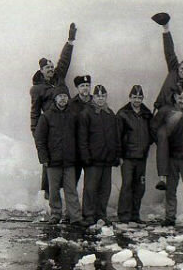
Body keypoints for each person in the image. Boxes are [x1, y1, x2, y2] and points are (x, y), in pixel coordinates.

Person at [151, 12, 183, 191]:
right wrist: (165, 29)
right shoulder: (173, 70)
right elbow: (169, 51)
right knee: (161, 136)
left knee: (168, 138)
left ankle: (167, 177)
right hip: (162, 111)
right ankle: (163, 176)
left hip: (178, 116)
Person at [30, 23, 77, 198]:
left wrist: (70, 40)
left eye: (51, 66)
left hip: (66, 123)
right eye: (47, 68)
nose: (51, 69)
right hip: (50, 127)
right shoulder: (37, 89)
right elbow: (34, 113)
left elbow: (64, 60)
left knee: (68, 162)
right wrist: (37, 134)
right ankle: (49, 197)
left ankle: (67, 198)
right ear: (41, 71)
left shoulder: (59, 78)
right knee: (49, 165)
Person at [33, 85, 85, 227]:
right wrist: (44, 158)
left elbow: (79, 137)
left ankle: (75, 216)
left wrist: (78, 156)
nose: (63, 99)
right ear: (55, 98)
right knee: (54, 190)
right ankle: (55, 214)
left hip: (69, 161)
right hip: (53, 161)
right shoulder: (46, 117)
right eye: (60, 96)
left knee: (71, 190)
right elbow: (40, 139)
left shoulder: (73, 116)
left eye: (65, 96)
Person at [152, 83, 183, 232]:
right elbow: (154, 127)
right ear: (174, 96)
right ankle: (170, 217)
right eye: (180, 97)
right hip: (171, 157)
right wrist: (162, 143)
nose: (182, 101)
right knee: (170, 189)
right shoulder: (166, 111)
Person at [77, 85, 121, 226]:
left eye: (103, 96)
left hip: (107, 159)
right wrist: (85, 156)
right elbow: (82, 138)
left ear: (106, 97)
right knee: (90, 188)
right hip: (93, 160)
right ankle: (89, 215)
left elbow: (116, 136)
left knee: (105, 189)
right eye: (98, 96)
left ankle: (101, 214)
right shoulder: (86, 113)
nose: (100, 99)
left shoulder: (110, 114)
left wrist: (116, 155)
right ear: (93, 97)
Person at [116, 85, 154, 224]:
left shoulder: (146, 113)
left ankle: (134, 214)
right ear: (130, 97)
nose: (137, 100)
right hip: (127, 157)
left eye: (139, 97)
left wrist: (146, 144)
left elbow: (152, 132)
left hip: (141, 157)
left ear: (143, 98)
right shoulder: (123, 113)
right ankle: (124, 215)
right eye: (134, 97)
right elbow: (118, 136)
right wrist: (119, 155)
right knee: (127, 185)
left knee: (140, 187)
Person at [69, 74, 93, 184]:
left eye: (87, 85)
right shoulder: (71, 104)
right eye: (82, 85)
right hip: (76, 148)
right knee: (73, 179)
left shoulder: (95, 102)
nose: (85, 88)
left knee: (91, 181)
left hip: (92, 147)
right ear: (77, 88)